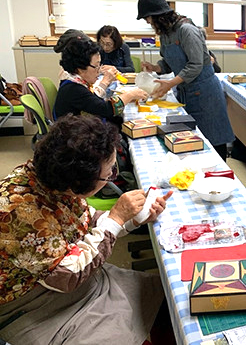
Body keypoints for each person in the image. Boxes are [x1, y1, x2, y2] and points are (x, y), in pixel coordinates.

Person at [0, 115, 174, 344]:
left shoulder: (54, 180)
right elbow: (67, 278)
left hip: (82, 277)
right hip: (35, 305)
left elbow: (87, 221)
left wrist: (134, 219)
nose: (113, 176)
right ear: (78, 182)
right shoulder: (20, 212)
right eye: (109, 173)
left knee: (166, 300)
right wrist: (117, 217)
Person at [136, 0, 234, 161]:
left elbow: (195, 65)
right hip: (186, 92)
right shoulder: (166, 34)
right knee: (193, 141)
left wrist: (170, 83)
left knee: (213, 139)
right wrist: (154, 67)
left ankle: (220, 175)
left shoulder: (186, 30)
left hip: (205, 93)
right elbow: (168, 63)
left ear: (157, 16)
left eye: (148, 19)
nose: (148, 22)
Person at [53, 36, 147, 126]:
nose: (99, 70)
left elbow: (95, 101)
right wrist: (130, 95)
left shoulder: (76, 82)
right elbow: (106, 110)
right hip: (75, 138)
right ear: (80, 68)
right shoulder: (74, 89)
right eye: (96, 66)